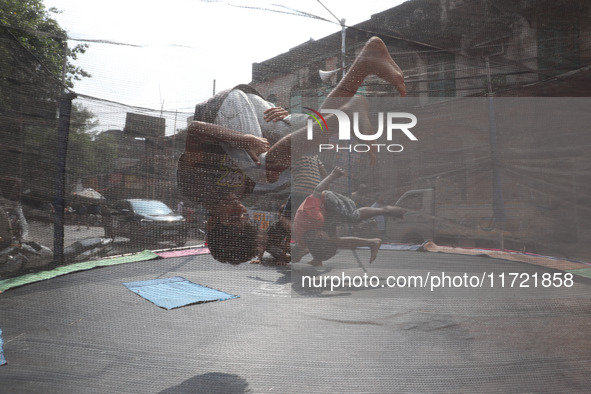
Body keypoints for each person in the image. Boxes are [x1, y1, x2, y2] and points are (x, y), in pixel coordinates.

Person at [178, 36, 406, 264]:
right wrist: (297, 150)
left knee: (263, 172)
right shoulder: (240, 192)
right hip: (254, 108)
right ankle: (365, 62)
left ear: (211, 222)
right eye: (244, 216)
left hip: (223, 109)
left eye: (232, 217)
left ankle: (346, 116)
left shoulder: (195, 188)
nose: (240, 209)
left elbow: (197, 130)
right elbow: (281, 154)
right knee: (310, 132)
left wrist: (244, 139)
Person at [293, 167, 405, 266]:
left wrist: (333, 175)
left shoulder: (312, 217)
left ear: (320, 236)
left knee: (353, 217)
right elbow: (303, 247)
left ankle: (384, 210)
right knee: (334, 240)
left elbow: (317, 190)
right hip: (324, 216)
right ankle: (318, 260)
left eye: (325, 238)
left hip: (328, 199)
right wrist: (293, 257)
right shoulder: (306, 239)